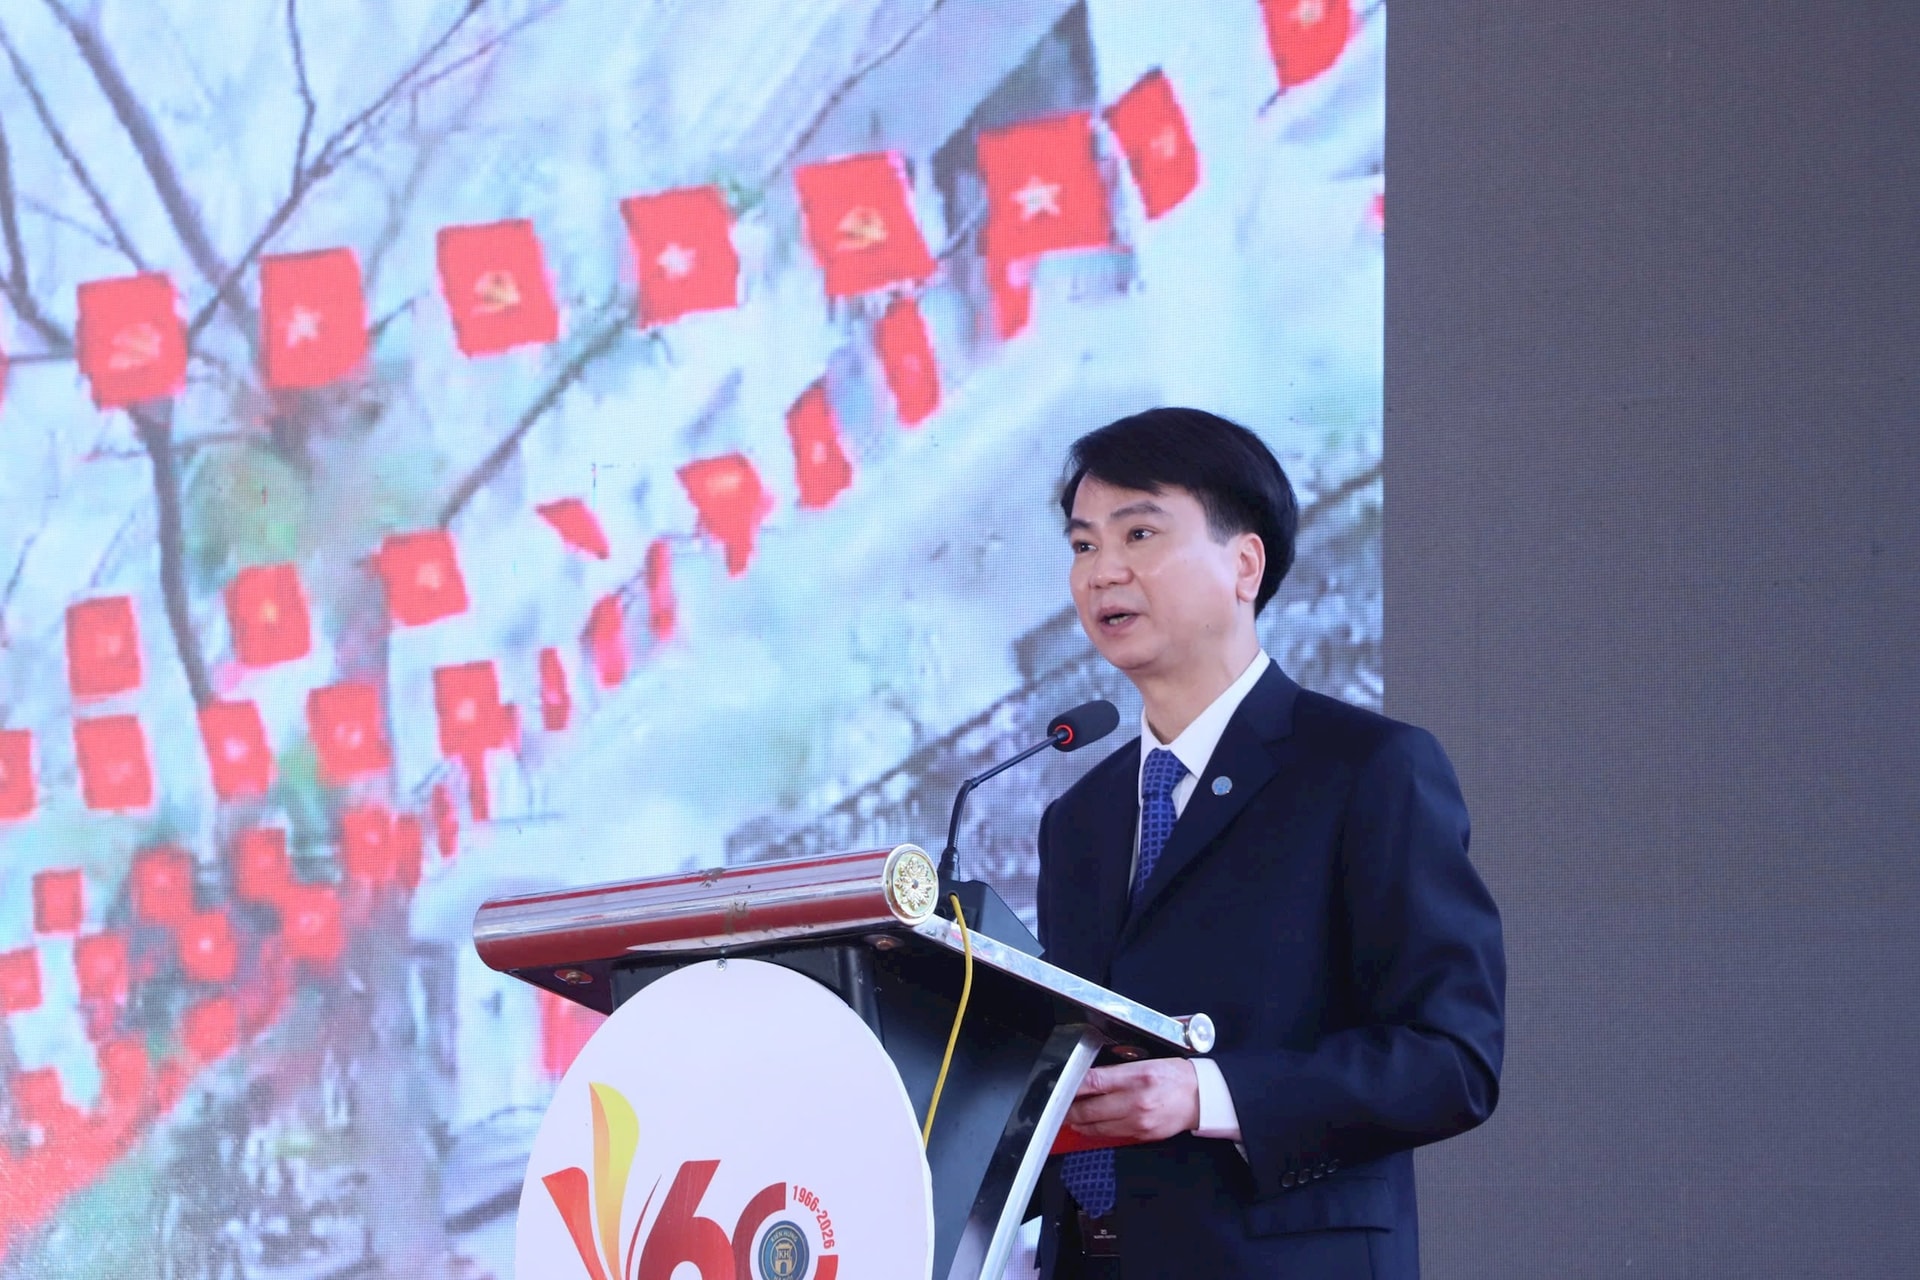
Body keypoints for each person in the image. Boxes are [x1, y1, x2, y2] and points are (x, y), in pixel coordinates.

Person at [1032, 407, 1506, 1278]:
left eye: (1139, 533)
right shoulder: (1079, 819)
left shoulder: (1366, 768)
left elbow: (1451, 1058)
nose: (1103, 571)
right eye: (1084, 545)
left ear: (1244, 564)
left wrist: (1207, 1094)